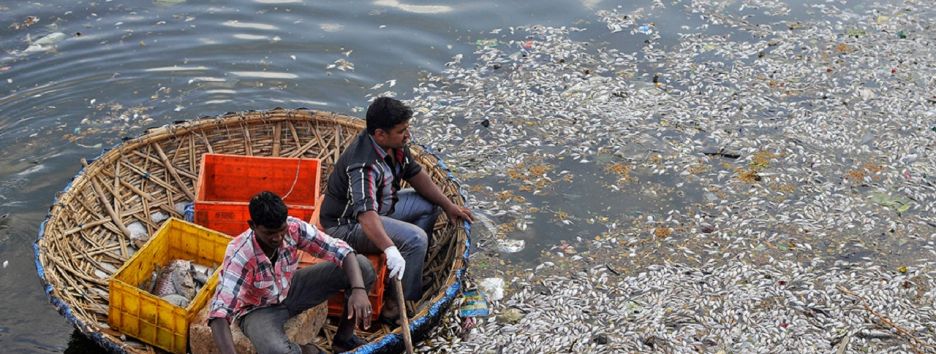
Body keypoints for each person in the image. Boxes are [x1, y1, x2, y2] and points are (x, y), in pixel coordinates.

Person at [319, 97, 473, 322]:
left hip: (383, 207)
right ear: (380, 134)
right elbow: (366, 216)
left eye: (406, 129)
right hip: (347, 225)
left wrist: (448, 205)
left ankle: (410, 270)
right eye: (401, 131)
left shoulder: (395, 145)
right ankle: (394, 305)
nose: (407, 135)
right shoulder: (363, 166)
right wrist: (390, 249)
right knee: (416, 239)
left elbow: (415, 174)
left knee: (429, 204)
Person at [208, 191, 376, 354]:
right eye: (269, 233)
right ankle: (309, 351)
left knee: (362, 267)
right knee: (276, 350)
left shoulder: (293, 228)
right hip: (257, 309)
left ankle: (344, 340)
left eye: (281, 230)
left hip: (291, 289)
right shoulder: (240, 254)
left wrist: (358, 290)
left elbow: (341, 250)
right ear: (253, 226)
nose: (277, 237)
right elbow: (219, 313)